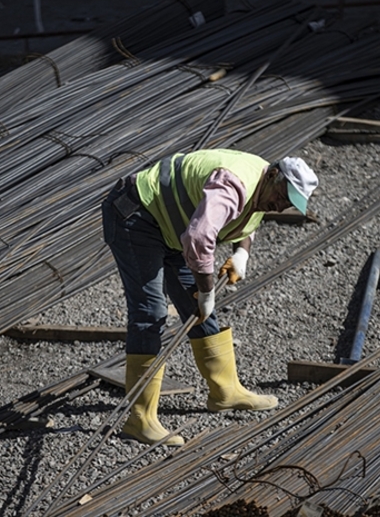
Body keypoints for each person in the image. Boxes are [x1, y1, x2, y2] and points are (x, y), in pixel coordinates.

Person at [101, 148, 318, 446]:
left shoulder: (262, 186)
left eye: (289, 204)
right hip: (136, 215)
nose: (280, 207)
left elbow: (247, 217)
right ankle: (140, 419)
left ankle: (224, 393)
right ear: (272, 174)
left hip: (171, 227)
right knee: (150, 312)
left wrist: (241, 253)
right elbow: (199, 237)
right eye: (282, 196)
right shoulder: (234, 183)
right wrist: (205, 291)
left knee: (199, 308)